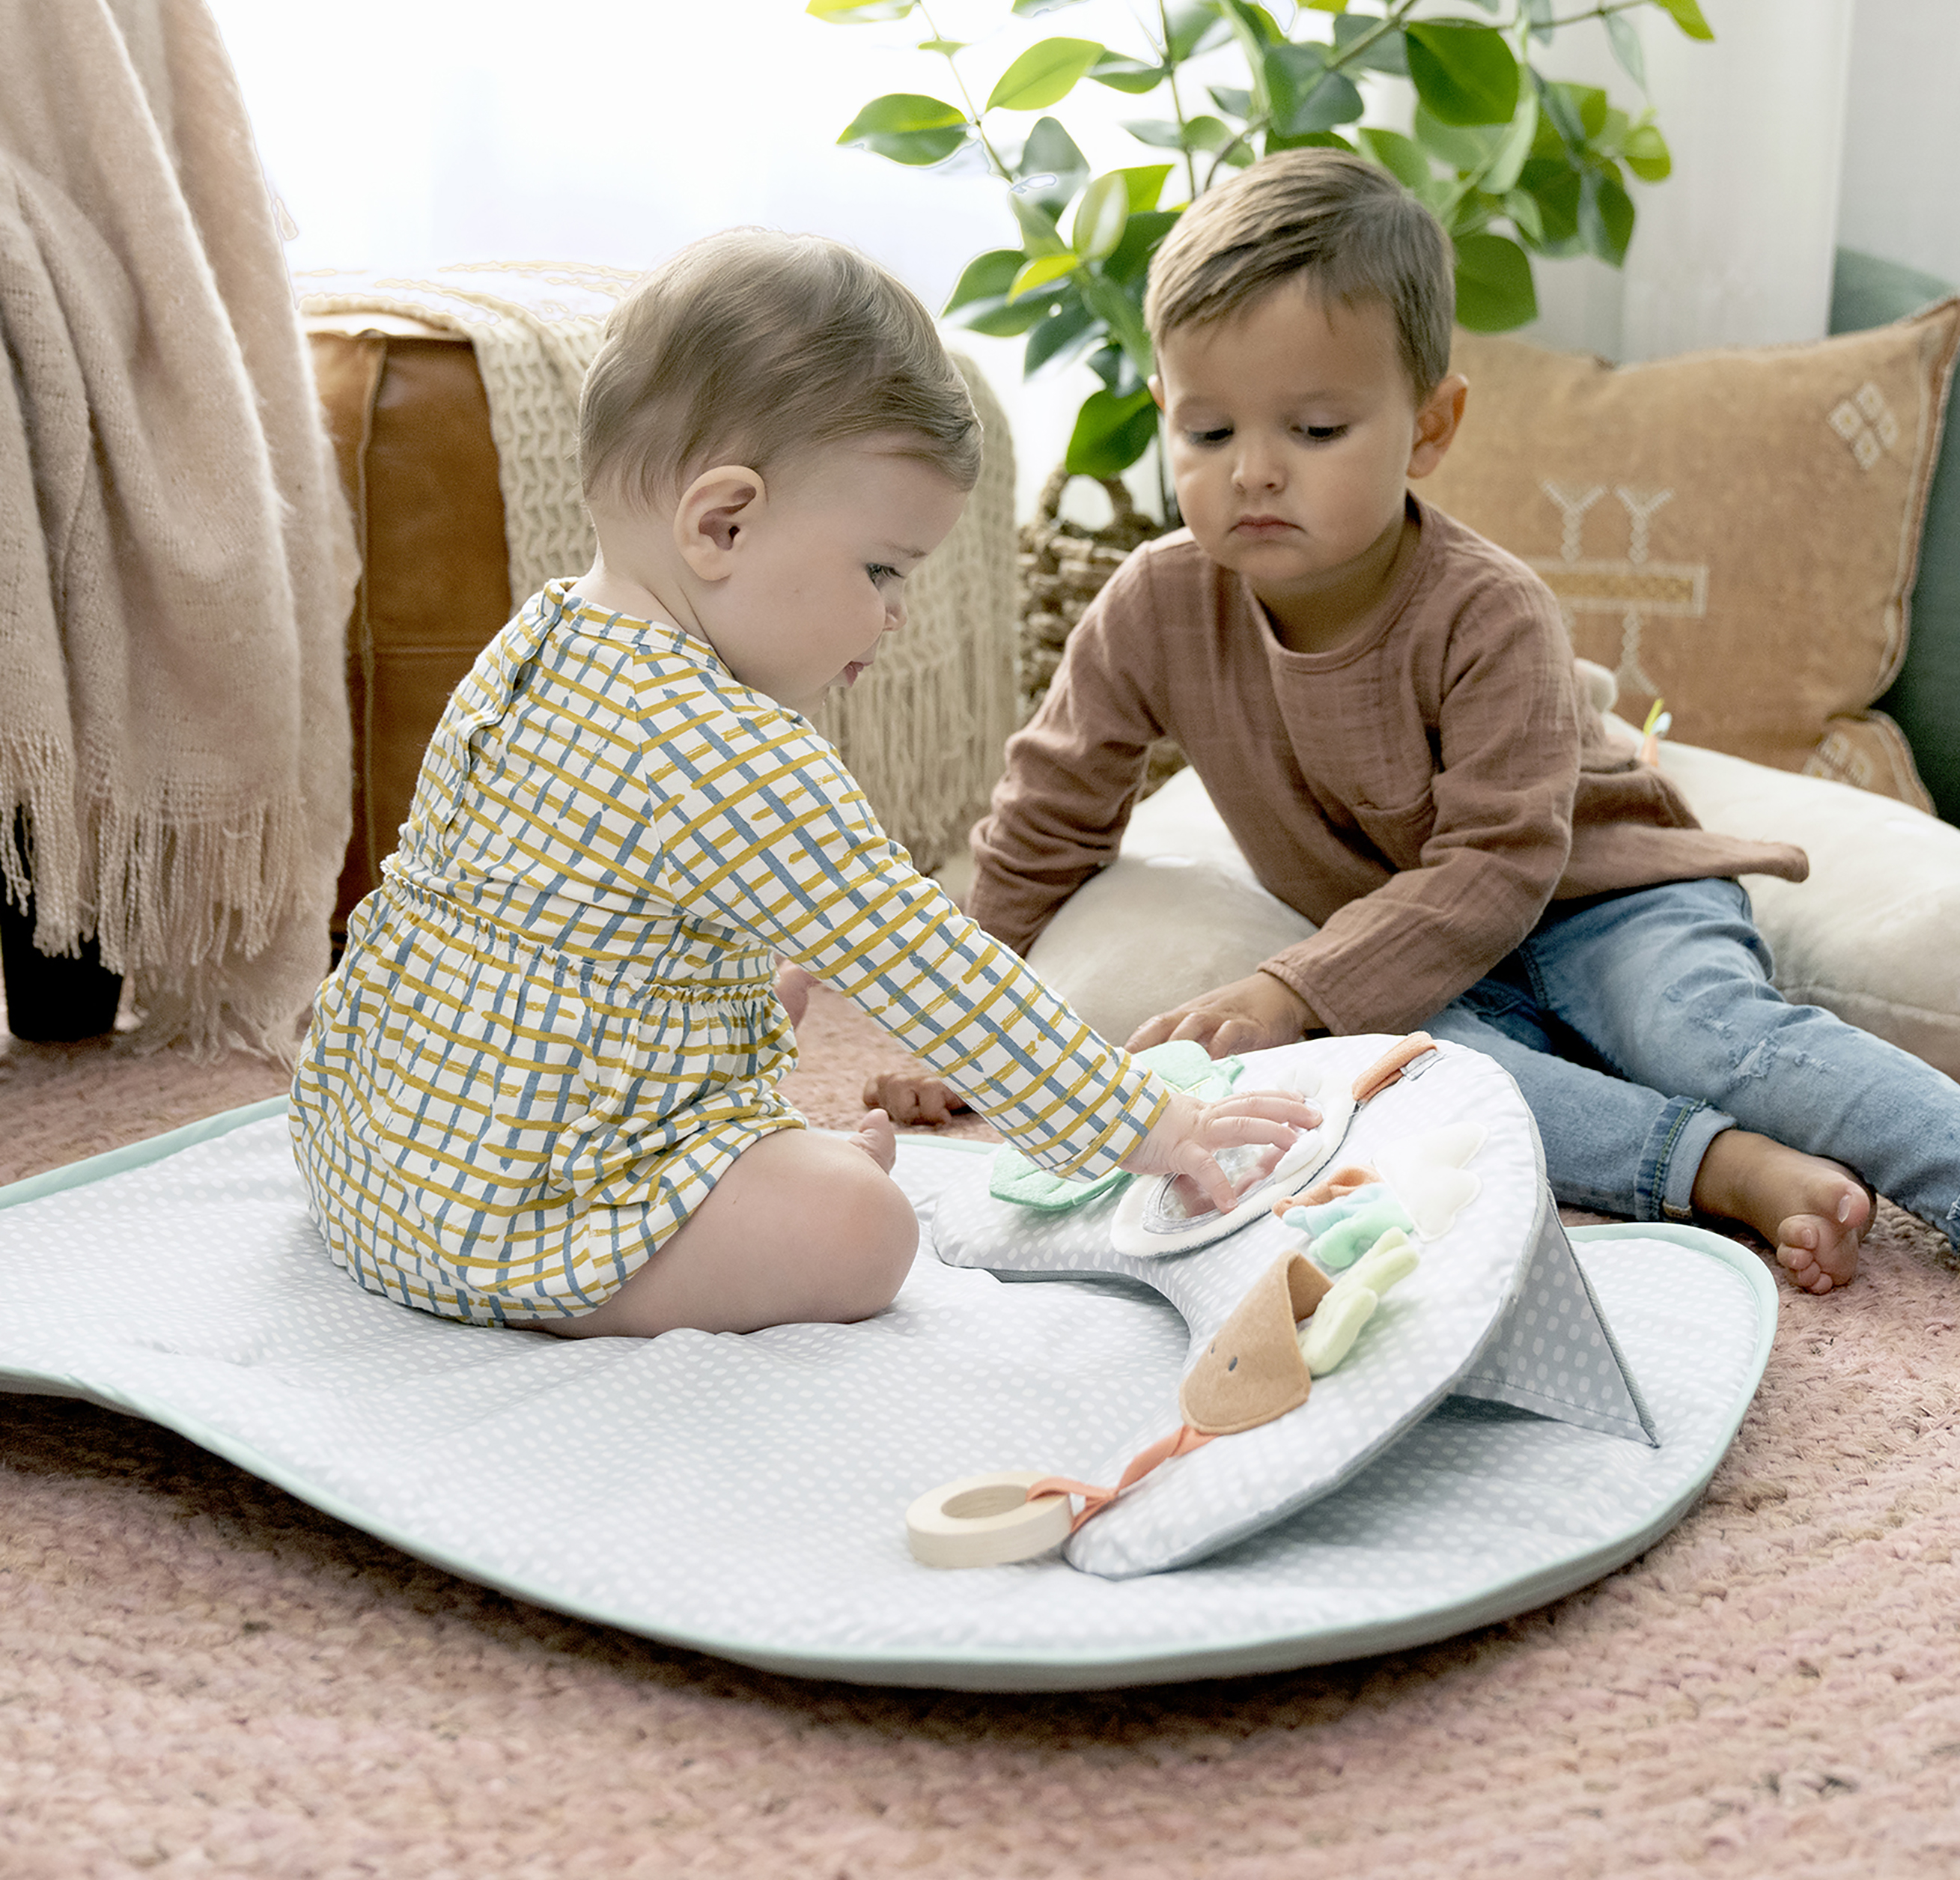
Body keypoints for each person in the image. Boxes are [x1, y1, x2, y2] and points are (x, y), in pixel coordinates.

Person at [870, 151, 1960, 1369]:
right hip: (1413, 949)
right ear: (1165, 414)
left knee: (1694, 1030)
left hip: (1600, 892)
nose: (1254, 473)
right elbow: (1048, 819)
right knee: (1412, 1084)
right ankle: (1722, 1171)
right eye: (1209, 434)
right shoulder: (1153, 606)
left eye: (1314, 431)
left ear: (1430, 427)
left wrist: (1290, 985)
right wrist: (964, 1018)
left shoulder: (1486, 609)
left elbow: (1499, 865)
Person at [288, 229, 1315, 1338]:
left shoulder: (537, 639)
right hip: (511, 1211)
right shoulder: (734, 751)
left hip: (371, 1147)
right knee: (863, 1227)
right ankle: (637, 1246)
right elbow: (935, 969)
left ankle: (707, 1160)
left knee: (766, 977)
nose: (896, 613)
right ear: (722, 523)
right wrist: (1144, 1124)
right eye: (881, 570)